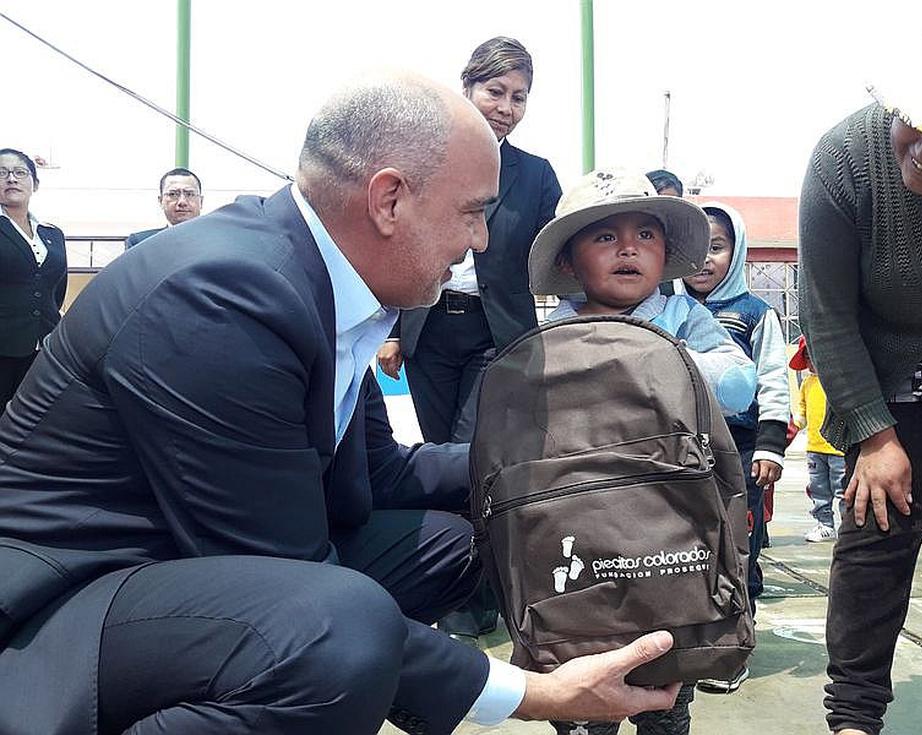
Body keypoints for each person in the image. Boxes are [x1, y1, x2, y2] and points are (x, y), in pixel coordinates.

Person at [0, 75, 683, 735]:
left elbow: (379, 473)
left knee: (460, 537)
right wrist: (538, 694)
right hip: (59, 613)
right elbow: (292, 572)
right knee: (339, 631)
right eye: (474, 212)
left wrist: (550, 464)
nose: (480, 241)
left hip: (177, 562)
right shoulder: (222, 296)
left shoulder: (329, 291)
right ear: (390, 201)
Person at [797, 5, 922, 734]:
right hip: (894, 359)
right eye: (916, 120)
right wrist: (873, 434)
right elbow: (826, 311)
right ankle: (854, 716)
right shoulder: (848, 156)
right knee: (879, 525)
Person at [528, 168, 757, 735]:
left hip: (671, 523)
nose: (628, 248)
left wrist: (649, 358)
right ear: (567, 262)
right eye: (605, 236)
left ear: (664, 254)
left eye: (646, 235)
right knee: (585, 670)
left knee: (667, 675)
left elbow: (738, 384)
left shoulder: (684, 319)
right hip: (582, 526)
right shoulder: (551, 338)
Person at [379, 35, 562, 642]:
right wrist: (389, 325)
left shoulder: (536, 177)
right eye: (496, 91)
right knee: (434, 454)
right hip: (428, 326)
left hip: (499, 334)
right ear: (467, 89)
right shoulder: (425, 158)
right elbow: (393, 240)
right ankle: (446, 580)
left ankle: (477, 594)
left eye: (519, 97)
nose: (507, 106)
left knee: (477, 453)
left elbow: (554, 255)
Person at [672, 201, 790, 694]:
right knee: (690, 549)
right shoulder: (670, 310)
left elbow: (773, 381)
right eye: (696, 248)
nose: (705, 259)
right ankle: (694, 645)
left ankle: (732, 650)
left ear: (736, 251)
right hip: (682, 448)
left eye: (716, 247)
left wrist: (769, 447)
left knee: (739, 549)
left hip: (739, 449)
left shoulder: (756, 314)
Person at [0, 148, 67, 410]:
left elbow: (56, 290)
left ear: (35, 184)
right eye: (2, 173)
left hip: (46, 346)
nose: (11, 179)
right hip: (3, 346)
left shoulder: (52, 233)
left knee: (37, 419)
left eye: (20, 172)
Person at [790, 336, 846, 542]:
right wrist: (795, 424)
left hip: (839, 449)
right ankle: (825, 524)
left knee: (842, 489)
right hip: (814, 447)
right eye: (806, 357)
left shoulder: (838, 381)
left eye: (813, 355)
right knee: (819, 488)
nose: (810, 361)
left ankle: (847, 527)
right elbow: (802, 410)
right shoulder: (807, 383)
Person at [124, 167, 203, 248]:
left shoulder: (215, 240)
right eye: (173, 194)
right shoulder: (140, 243)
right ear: (161, 201)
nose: (182, 202)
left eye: (189, 194)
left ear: (201, 201)